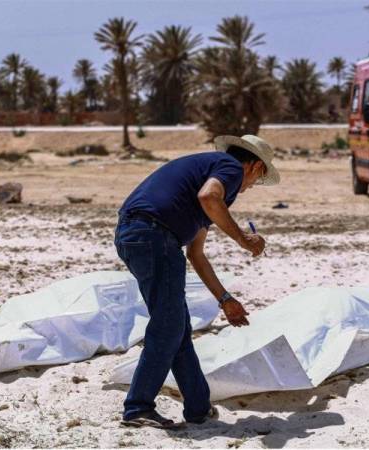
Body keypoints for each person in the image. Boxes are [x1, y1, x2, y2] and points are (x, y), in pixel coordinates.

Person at [114, 134, 280, 428]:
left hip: (139, 235)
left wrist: (225, 299)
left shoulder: (209, 177)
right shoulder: (229, 168)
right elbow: (208, 196)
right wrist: (243, 239)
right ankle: (138, 406)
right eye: (257, 179)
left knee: (177, 325)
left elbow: (196, 253)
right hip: (154, 236)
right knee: (167, 327)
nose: (251, 187)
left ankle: (198, 408)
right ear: (254, 166)